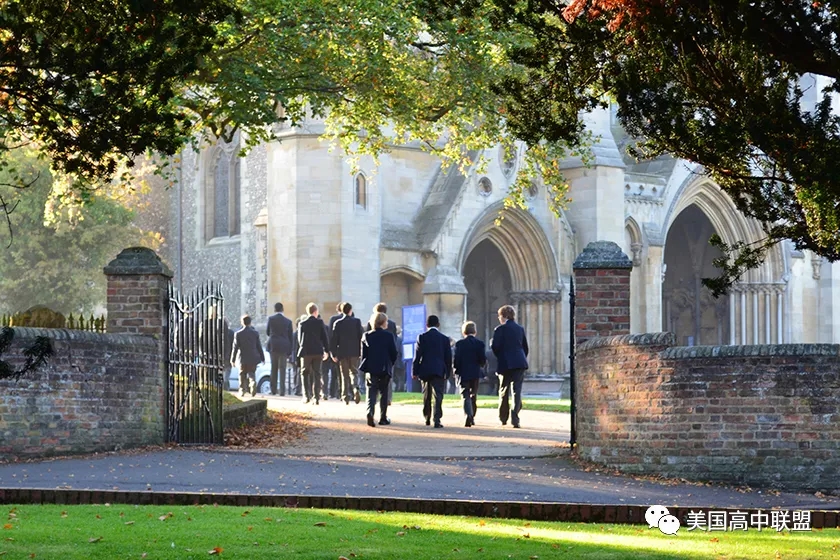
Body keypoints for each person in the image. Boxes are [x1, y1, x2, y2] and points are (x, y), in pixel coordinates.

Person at [491, 305, 529, 428]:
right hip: (519, 362)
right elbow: (525, 347)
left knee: (503, 390)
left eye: (500, 316)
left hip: (505, 362)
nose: (499, 318)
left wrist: (501, 357)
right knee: (516, 391)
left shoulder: (499, 330)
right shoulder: (520, 329)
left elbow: (495, 347)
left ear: (504, 316)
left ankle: (503, 417)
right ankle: (515, 418)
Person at [412, 314, 451, 428]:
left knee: (426, 394)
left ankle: (427, 417)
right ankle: (437, 418)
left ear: (427, 325)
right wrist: (447, 372)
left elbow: (417, 356)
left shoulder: (422, 337)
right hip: (439, 369)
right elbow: (448, 358)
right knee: (438, 395)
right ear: (438, 325)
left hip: (425, 369)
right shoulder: (444, 339)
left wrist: (414, 372)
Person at [359, 311, 398, 426]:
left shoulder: (367, 335)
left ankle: (370, 412)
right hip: (384, 367)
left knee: (371, 393)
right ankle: (383, 417)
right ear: (383, 323)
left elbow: (364, 354)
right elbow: (393, 353)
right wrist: (391, 363)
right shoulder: (388, 336)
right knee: (384, 394)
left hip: (371, 368)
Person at [453, 321, 486, 427]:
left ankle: (468, 414)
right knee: (474, 394)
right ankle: (472, 415)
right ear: (475, 331)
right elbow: (482, 359)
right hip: (475, 372)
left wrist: (455, 370)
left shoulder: (459, 344)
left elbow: (456, 360)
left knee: (465, 394)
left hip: (463, 372)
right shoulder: (480, 344)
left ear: (464, 332)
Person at [331, 302, 364, 404]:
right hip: (354, 352)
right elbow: (361, 337)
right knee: (354, 372)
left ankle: (345, 396)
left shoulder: (337, 323)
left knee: (344, 374)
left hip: (342, 352)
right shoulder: (357, 322)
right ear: (350, 310)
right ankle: (355, 389)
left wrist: (333, 353)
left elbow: (334, 340)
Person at [297, 302, 330, 404]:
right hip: (317, 352)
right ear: (315, 312)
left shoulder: (302, 323)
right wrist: (327, 351)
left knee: (304, 373)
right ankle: (316, 397)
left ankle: (306, 395)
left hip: (306, 352)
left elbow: (299, 340)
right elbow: (325, 338)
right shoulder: (320, 323)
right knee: (317, 374)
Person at [230, 314, 265, 397]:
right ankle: (252, 383)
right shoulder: (255, 333)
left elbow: (235, 348)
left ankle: (242, 389)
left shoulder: (238, 334)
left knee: (242, 374)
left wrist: (232, 359)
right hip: (253, 357)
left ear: (242, 322)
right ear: (250, 323)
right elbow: (259, 346)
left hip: (243, 357)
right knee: (252, 373)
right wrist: (262, 358)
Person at [266, 302, 293, 396]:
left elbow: (268, 332)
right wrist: (290, 350)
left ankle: (273, 389)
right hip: (284, 346)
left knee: (274, 368)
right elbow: (290, 336)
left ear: (275, 309)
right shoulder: (288, 321)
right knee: (282, 368)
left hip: (273, 345)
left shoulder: (271, 319)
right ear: (282, 309)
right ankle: (282, 390)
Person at [326, 302, 345, 399]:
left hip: (336, 349)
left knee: (335, 372)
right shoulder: (352, 318)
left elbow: (330, 335)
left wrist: (330, 350)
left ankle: (332, 392)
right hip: (347, 349)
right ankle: (342, 392)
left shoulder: (334, 319)